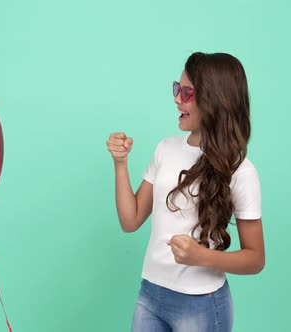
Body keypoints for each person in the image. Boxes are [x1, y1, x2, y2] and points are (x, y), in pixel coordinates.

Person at [106, 52, 265, 332]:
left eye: (187, 92)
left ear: (214, 101)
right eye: (177, 89)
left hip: (202, 304)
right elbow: (130, 221)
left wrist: (201, 257)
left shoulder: (241, 170)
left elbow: (255, 258)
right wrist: (121, 163)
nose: (177, 98)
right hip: (150, 294)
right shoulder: (165, 149)